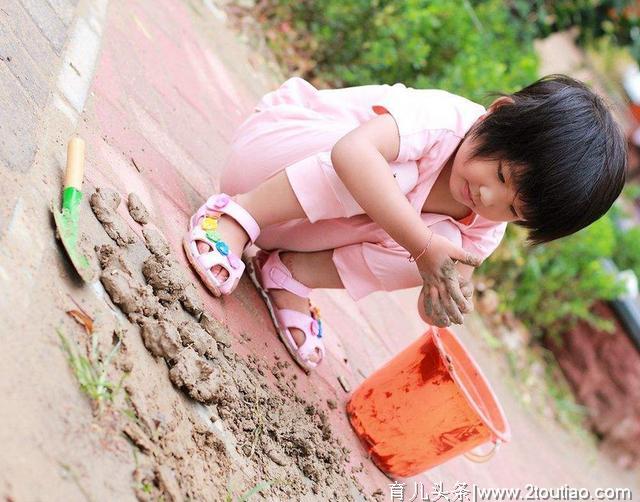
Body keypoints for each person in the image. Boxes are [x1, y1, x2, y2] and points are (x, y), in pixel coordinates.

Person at [182, 75, 627, 371]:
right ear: (496, 115)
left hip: (301, 224)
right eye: (501, 176)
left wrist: (441, 298)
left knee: (445, 248)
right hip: (267, 163)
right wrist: (421, 246)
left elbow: (435, 279)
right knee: (393, 178)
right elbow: (350, 154)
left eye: (513, 211)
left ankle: (288, 273)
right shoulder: (441, 121)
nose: (489, 199)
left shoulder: (483, 227)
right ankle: (238, 218)